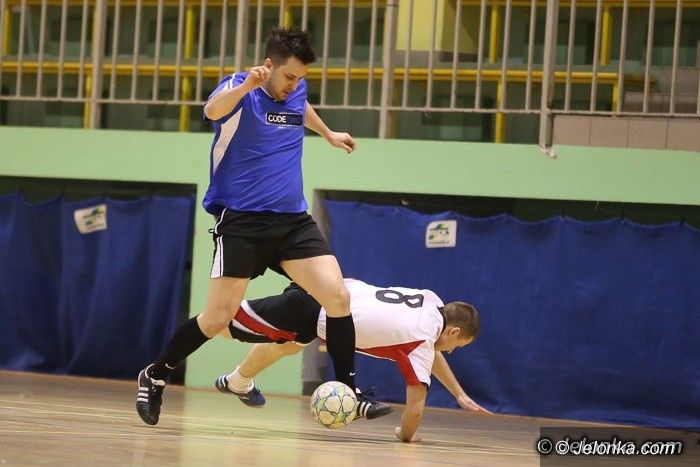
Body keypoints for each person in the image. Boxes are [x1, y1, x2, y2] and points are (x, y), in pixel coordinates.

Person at [136, 27, 370, 425]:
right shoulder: (239, 87)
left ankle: (350, 391)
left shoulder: (296, 90)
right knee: (216, 319)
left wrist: (328, 133)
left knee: (338, 297)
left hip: (292, 221)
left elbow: (300, 108)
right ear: (268, 65)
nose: (294, 84)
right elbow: (212, 111)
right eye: (289, 76)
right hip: (242, 222)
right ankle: (155, 375)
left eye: (300, 77)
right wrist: (247, 86)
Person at [213, 278, 491, 441]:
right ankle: (192, 335)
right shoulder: (422, 340)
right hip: (315, 311)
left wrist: (458, 393)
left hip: (332, 289)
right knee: (219, 324)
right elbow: (415, 410)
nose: (451, 351)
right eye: (457, 345)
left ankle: (238, 381)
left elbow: (432, 351)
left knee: (288, 346)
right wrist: (404, 434)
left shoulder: (431, 302)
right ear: (453, 331)